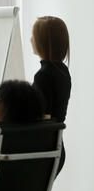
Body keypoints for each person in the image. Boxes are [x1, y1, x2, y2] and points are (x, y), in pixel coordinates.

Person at [31, 16, 71, 175]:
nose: (30, 39)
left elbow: (43, 118)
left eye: (34, 35)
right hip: (56, 147)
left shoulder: (43, 75)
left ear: (42, 42)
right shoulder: (62, 71)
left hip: (43, 150)